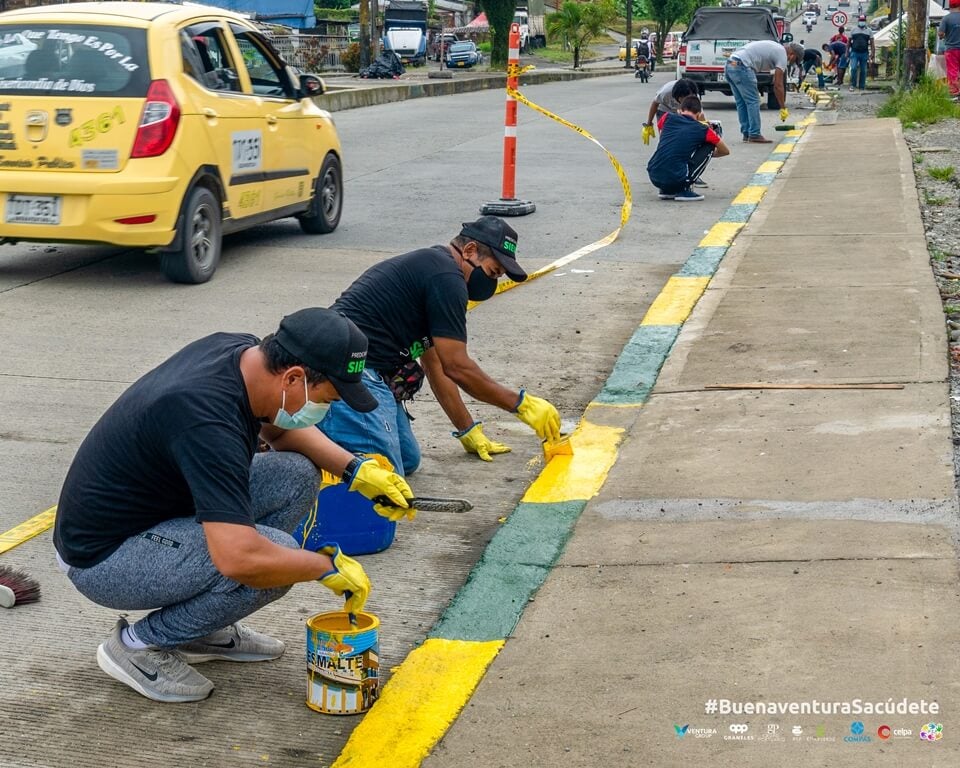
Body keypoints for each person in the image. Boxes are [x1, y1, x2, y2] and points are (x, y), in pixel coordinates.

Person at [53, 308, 416, 703]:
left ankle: (201, 626)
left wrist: (355, 471)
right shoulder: (207, 422)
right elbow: (239, 559)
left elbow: (278, 429)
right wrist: (326, 567)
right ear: (293, 376)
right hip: (103, 558)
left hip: (157, 515)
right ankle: (138, 646)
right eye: (327, 399)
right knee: (275, 560)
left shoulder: (244, 356)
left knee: (295, 475)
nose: (325, 411)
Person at [318, 216, 562, 477]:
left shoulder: (438, 272)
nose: (491, 283)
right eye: (493, 272)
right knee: (382, 475)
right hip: (346, 370)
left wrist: (466, 428)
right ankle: (307, 440)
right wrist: (520, 404)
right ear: (469, 251)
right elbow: (458, 367)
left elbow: (437, 365)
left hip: (369, 370)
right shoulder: (447, 278)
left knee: (408, 460)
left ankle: (331, 435)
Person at [647, 94, 730, 202]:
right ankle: (683, 188)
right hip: (676, 178)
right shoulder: (703, 129)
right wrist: (704, 154)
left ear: (679, 110)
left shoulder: (666, 117)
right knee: (709, 145)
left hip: (654, 174)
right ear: (699, 114)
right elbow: (725, 151)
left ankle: (666, 190)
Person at [724, 41, 803, 143]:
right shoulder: (782, 54)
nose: (790, 61)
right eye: (794, 59)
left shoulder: (776, 48)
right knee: (753, 101)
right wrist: (783, 107)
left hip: (730, 64)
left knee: (742, 102)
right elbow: (778, 85)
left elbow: (776, 81)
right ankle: (754, 134)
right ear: (792, 54)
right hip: (742, 66)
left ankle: (747, 133)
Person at [847, 16, 874, 92]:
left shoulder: (869, 31)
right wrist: (847, 52)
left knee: (863, 70)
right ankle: (853, 84)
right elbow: (848, 42)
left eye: (863, 20)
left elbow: (872, 43)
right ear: (858, 21)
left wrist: (872, 53)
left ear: (865, 21)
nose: (862, 22)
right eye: (861, 20)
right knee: (854, 68)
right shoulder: (853, 30)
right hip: (854, 52)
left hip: (864, 53)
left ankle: (862, 86)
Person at [940, 0, 960, 102]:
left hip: (951, 49)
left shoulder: (946, 18)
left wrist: (943, 36)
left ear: (950, 6)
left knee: (953, 71)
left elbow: (941, 33)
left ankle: (954, 94)